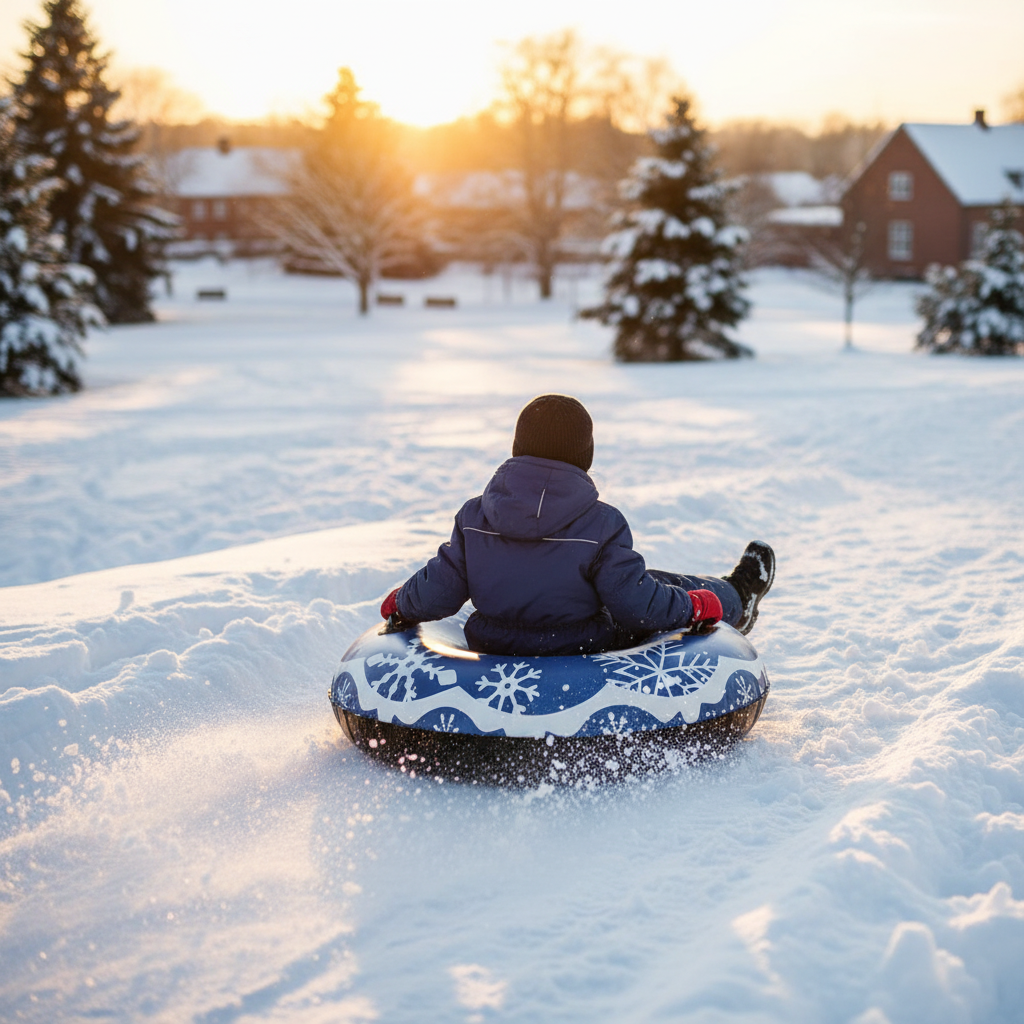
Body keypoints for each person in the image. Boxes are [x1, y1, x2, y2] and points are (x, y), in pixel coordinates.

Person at [380, 394, 775, 656]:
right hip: (582, 646)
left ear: (517, 448)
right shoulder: (603, 524)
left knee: (635, 583)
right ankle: (737, 597)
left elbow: (440, 587)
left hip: (494, 643)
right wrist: (691, 607)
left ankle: (734, 595)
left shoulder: (474, 518)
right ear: (584, 456)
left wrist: (402, 602)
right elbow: (638, 608)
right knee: (657, 585)